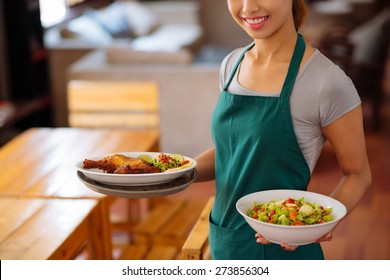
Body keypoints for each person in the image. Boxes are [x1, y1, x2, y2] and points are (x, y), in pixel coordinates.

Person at [194, 0, 371, 260]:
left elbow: (358, 174)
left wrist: (317, 225)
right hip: (224, 243)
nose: (248, 8)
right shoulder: (232, 64)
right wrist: (178, 173)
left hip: (285, 254)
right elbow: (232, 153)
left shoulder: (326, 81)